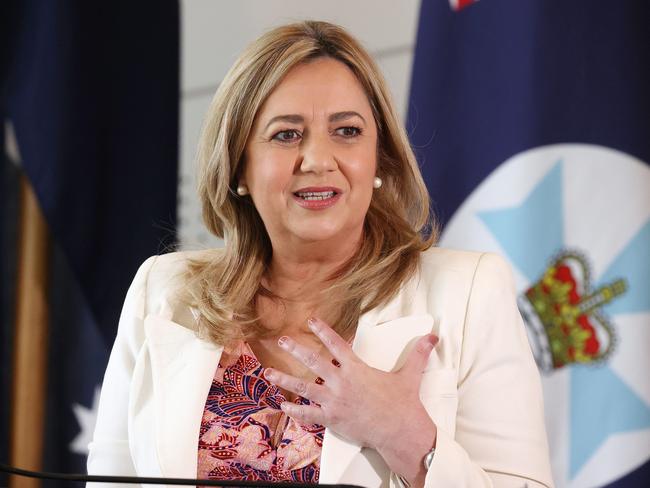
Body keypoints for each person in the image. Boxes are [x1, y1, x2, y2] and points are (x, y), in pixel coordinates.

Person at [87, 20, 553, 488]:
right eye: (286, 134)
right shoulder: (163, 292)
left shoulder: (468, 292)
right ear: (239, 165)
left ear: (379, 158)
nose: (317, 159)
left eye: (347, 131)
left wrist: (407, 437)